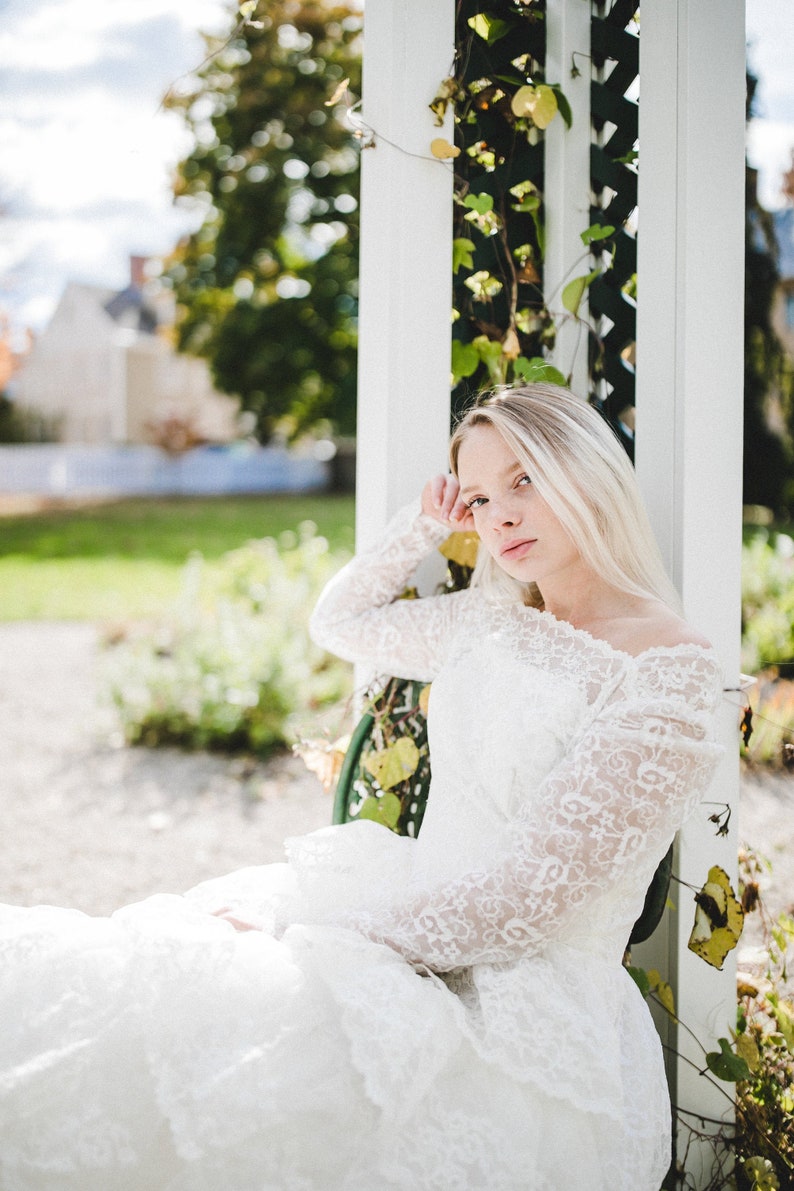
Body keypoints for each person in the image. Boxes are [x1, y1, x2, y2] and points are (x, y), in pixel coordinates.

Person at [0, 384, 723, 1191]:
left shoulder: (668, 672)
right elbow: (339, 623)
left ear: (586, 471)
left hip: (519, 991)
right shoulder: (491, 619)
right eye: (481, 498)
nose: (501, 516)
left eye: (525, 481)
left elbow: (531, 899)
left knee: (236, 1031)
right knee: (140, 984)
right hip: (398, 904)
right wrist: (422, 519)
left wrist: (327, 933)